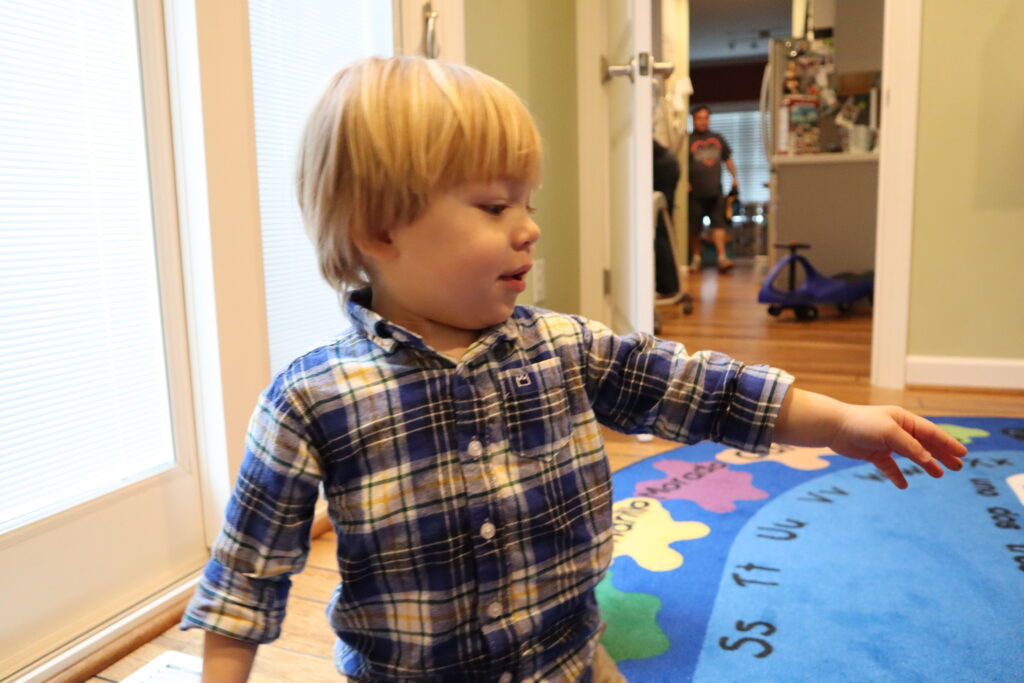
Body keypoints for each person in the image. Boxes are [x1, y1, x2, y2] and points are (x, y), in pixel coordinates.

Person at [181, 56, 967, 683]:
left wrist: (840, 421)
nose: (528, 229)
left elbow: (698, 388)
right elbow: (248, 572)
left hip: (563, 653)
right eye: (495, 207)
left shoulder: (564, 346)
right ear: (380, 231)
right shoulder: (312, 399)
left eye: (528, 202)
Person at [687, 105, 738, 273]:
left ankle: (722, 258)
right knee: (694, 227)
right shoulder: (688, 140)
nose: (703, 121)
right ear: (694, 120)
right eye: (699, 118)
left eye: (705, 118)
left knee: (719, 225)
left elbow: (728, 159)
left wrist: (734, 178)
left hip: (716, 191)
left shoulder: (717, 138)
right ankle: (696, 259)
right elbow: (682, 164)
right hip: (695, 193)